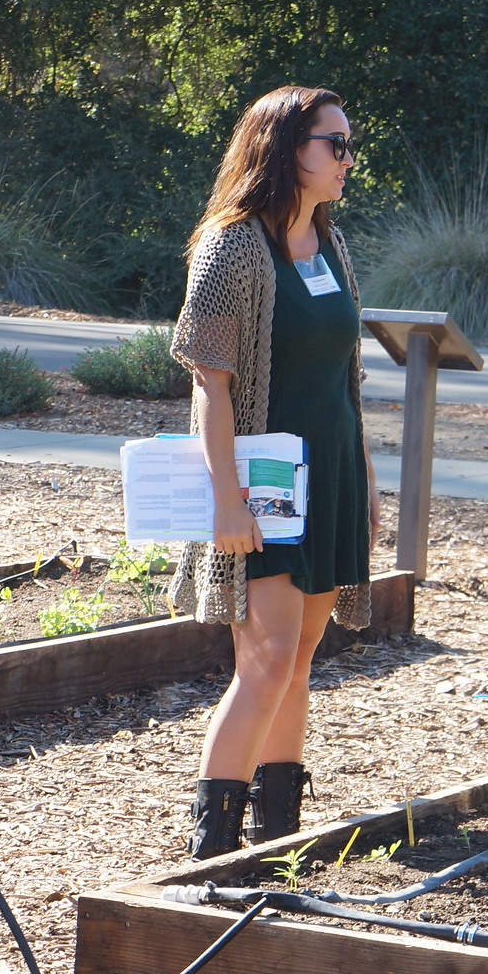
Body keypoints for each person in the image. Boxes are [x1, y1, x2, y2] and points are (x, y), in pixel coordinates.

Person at [170, 85, 382, 859]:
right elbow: (210, 381)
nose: (347, 159)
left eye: (349, 143)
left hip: (328, 477)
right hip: (260, 483)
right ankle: (212, 852)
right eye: (336, 143)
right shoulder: (232, 246)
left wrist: (364, 480)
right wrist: (225, 495)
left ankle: (275, 840)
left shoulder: (328, 242)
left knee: (296, 661)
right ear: (288, 148)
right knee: (263, 659)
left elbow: (343, 380)